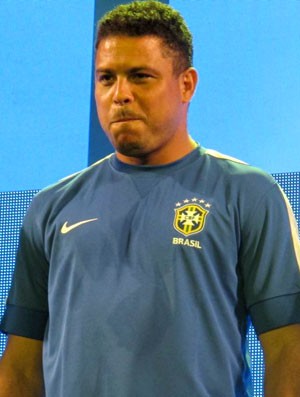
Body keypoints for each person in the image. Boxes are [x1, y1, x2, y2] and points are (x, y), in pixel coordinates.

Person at [0, 1, 300, 396]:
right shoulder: (51, 206)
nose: (120, 94)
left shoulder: (249, 194)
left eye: (140, 76)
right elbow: (21, 367)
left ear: (186, 84)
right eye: (106, 78)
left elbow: (288, 351)